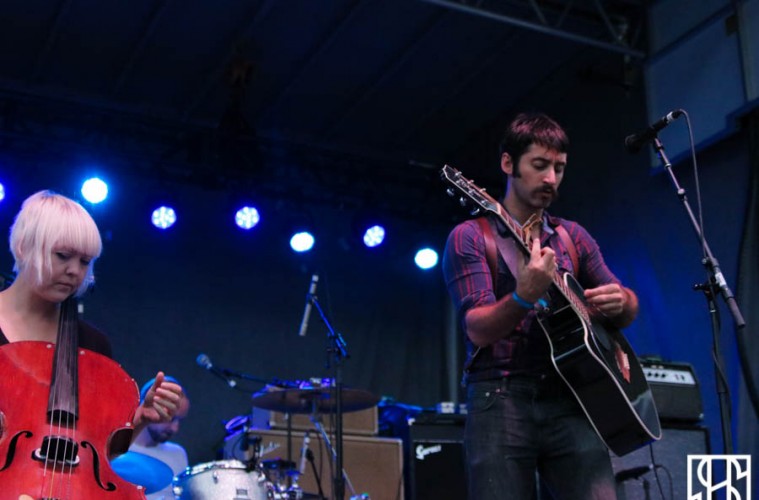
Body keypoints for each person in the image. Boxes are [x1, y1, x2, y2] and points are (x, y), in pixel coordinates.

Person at [442, 112, 639, 500]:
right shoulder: (471, 237)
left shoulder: (572, 237)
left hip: (572, 397)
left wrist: (623, 300)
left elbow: (627, 308)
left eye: (559, 168)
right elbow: (477, 329)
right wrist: (523, 297)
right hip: (499, 398)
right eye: (539, 165)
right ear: (508, 163)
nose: (551, 178)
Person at [0, 190, 183, 493]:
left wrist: (140, 418)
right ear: (22, 247)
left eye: (85, 261)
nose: (75, 271)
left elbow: (96, 453)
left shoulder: (92, 345)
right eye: (62, 256)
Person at [113, 376, 190, 500]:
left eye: (180, 421)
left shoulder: (178, 453)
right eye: (171, 418)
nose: (175, 428)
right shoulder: (113, 446)